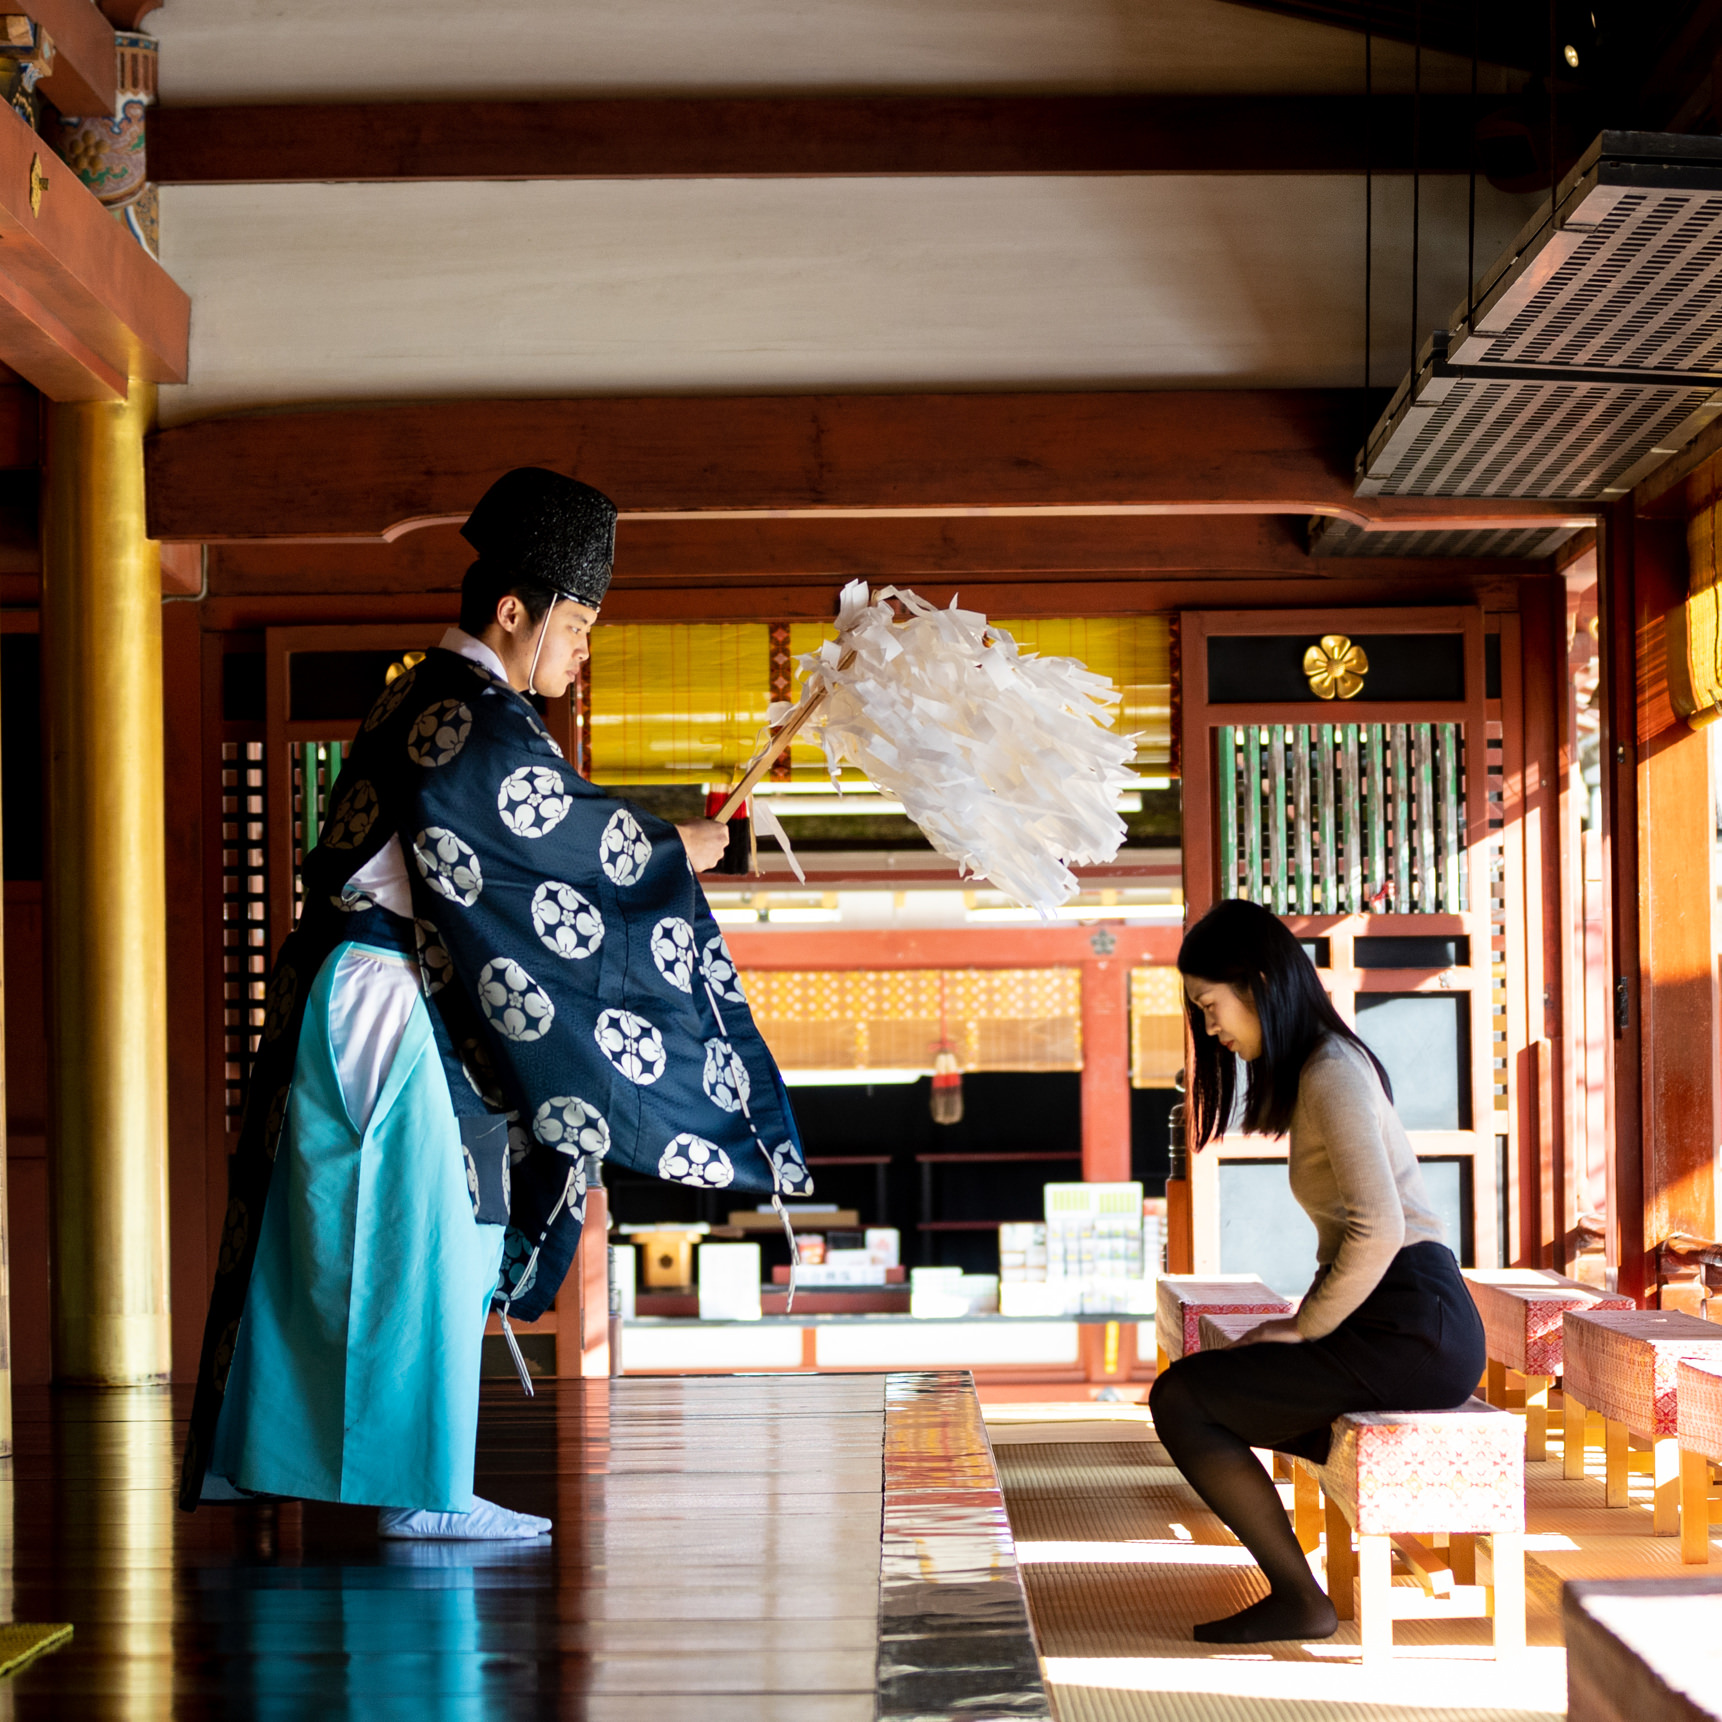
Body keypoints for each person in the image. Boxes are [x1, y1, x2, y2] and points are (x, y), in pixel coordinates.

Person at [180, 467, 812, 1537]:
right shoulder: (463, 711)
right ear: (513, 611)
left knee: (361, 1235)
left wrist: (657, 844)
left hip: (368, 988)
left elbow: (529, 840)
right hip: (378, 994)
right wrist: (675, 847)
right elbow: (546, 843)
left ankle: (349, 1474)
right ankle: (411, 1497)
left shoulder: (441, 697)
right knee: (410, 1234)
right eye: (576, 622)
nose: (583, 648)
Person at [1148, 898, 1484, 1643]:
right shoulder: (1324, 1068)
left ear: (1260, 980)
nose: (1210, 1027)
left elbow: (1380, 1225)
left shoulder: (1332, 1070)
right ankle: (1300, 1591)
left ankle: (1299, 1599)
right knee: (1209, 1386)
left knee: (1185, 1398)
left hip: (1413, 1328)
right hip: (1401, 1322)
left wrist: (1303, 1326)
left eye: (1211, 1005)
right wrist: (1298, 1327)